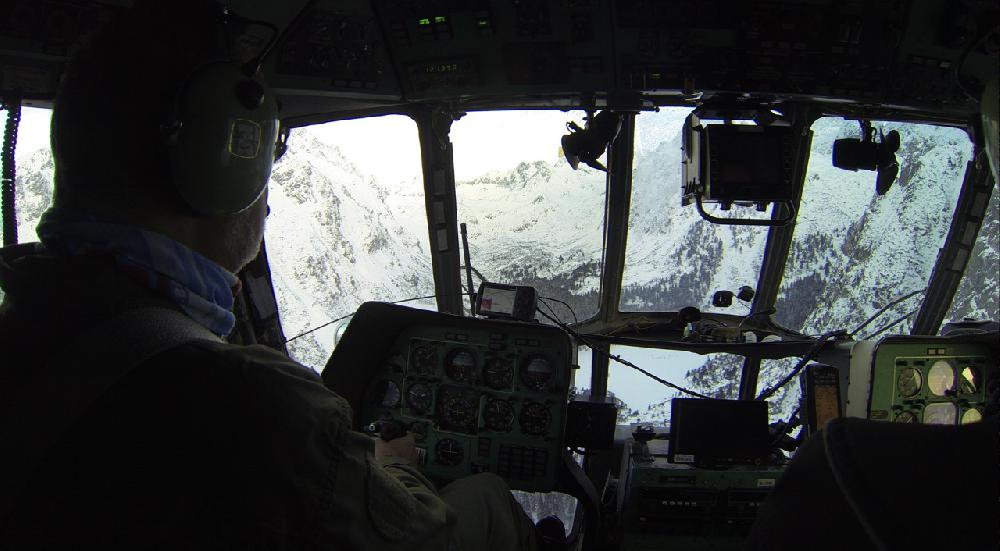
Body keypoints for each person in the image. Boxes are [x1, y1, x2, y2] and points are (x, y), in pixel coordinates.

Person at [0, 2, 545, 549]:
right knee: (488, 497)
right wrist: (394, 467)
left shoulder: (24, 330)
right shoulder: (258, 407)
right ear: (226, 163)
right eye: (268, 151)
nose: (267, 197)